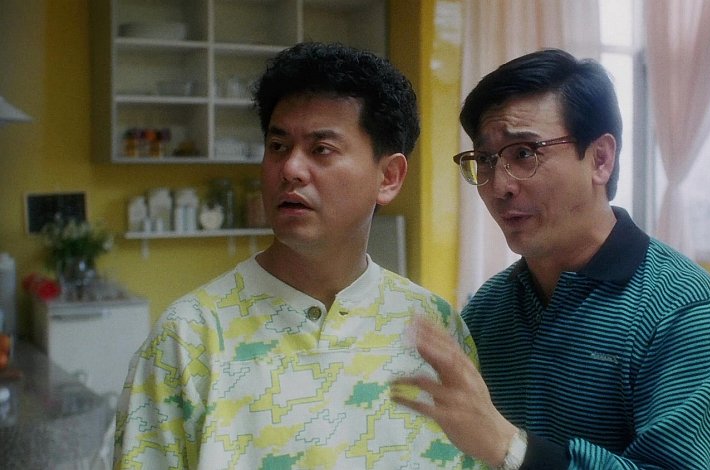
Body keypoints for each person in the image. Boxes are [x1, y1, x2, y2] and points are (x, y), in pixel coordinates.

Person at [114, 42, 485, 469]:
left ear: (388, 177)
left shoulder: (436, 330)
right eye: (278, 146)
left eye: (321, 149)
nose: (290, 168)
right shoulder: (189, 337)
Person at [392, 48, 710, 469]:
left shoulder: (685, 311)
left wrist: (510, 447)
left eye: (524, 153)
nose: (499, 185)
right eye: (485, 160)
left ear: (600, 159)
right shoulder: (490, 308)